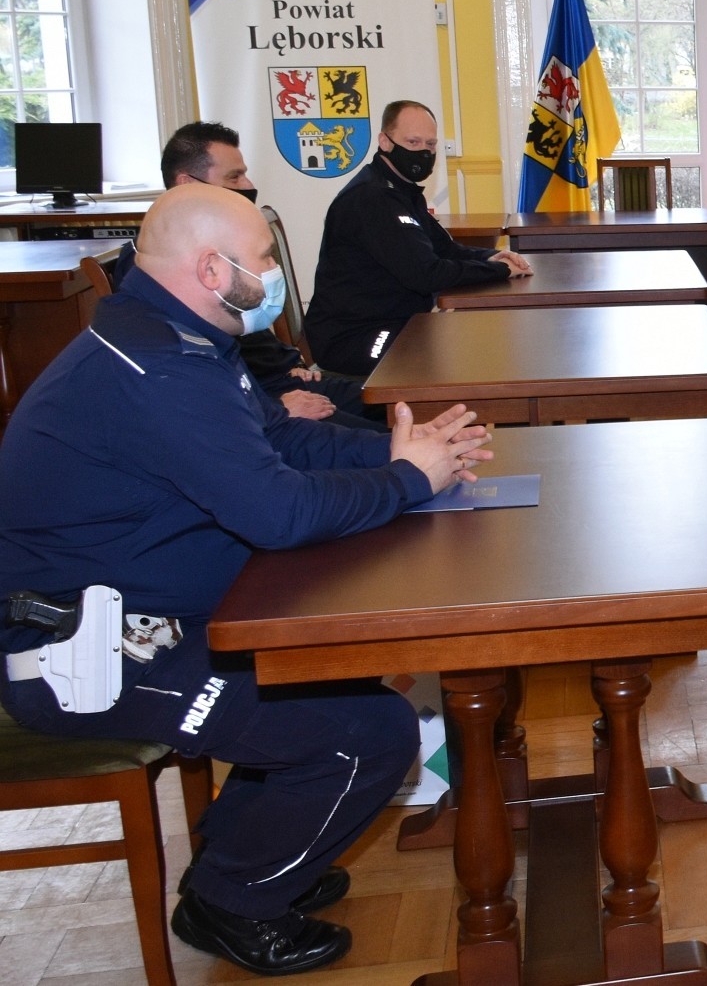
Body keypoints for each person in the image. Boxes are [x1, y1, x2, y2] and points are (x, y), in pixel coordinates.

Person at [0, 184, 495, 975]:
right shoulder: (156, 370)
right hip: (86, 656)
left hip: (160, 619)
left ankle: (250, 858)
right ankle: (233, 900)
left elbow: (285, 445)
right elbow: (278, 512)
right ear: (211, 269)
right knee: (366, 734)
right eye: (263, 259)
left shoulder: (177, 340)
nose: (272, 276)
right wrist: (407, 480)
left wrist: (401, 450)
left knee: (334, 680)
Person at [111, 122, 379, 430]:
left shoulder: (223, 249)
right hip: (266, 405)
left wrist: (290, 363)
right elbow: (201, 387)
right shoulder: (155, 269)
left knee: (397, 408)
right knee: (388, 437)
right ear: (187, 184)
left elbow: (251, 341)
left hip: (287, 382)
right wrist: (273, 408)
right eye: (233, 177)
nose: (247, 185)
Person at [306, 100, 533, 377]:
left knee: (484, 346)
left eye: (430, 144)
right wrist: (499, 271)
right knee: (468, 360)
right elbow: (426, 275)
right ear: (385, 142)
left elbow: (445, 249)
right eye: (413, 142)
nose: (423, 153)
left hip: (396, 322)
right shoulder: (371, 199)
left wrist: (491, 257)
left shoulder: (402, 190)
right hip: (354, 339)